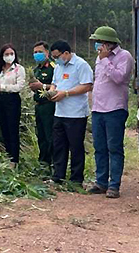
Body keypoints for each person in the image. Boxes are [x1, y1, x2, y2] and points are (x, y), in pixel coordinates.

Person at [87, 26, 134, 198]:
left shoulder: (124, 57)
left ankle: (114, 185)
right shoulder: (99, 59)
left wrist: (106, 60)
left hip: (114, 109)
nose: (97, 45)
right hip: (98, 109)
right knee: (99, 147)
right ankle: (101, 182)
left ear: (108, 43)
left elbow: (119, 78)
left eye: (99, 42)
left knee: (114, 147)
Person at [48, 40, 93, 186]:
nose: (56, 59)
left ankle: (76, 179)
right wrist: (51, 90)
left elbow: (86, 86)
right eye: (54, 57)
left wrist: (66, 93)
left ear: (66, 53)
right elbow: (55, 82)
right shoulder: (58, 67)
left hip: (76, 114)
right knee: (59, 145)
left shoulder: (81, 65)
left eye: (57, 56)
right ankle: (58, 176)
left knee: (76, 146)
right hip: (59, 112)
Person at [0, 44, 26, 167]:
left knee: (12, 129)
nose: (9, 56)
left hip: (12, 100)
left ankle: (14, 160)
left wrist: (2, 87)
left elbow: (19, 87)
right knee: (4, 128)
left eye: (11, 53)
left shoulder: (19, 69)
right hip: (0, 99)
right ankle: (7, 155)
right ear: (2, 56)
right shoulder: (1, 69)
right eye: (6, 54)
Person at [28, 41, 56, 167]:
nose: (37, 55)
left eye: (40, 52)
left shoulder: (53, 68)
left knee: (51, 135)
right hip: (39, 105)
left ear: (47, 52)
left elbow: (58, 85)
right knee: (41, 135)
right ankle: (43, 162)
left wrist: (42, 86)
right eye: (35, 52)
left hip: (50, 105)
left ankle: (54, 164)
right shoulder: (36, 70)